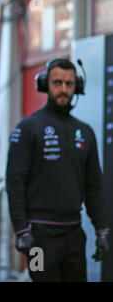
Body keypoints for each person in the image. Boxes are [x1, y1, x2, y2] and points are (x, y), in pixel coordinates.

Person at [6, 58, 110, 282]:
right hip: (37, 237)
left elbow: (94, 186)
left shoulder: (86, 132)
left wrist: (102, 230)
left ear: (77, 87)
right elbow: (14, 182)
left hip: (74, 235)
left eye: (69, 84)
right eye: (57, 83)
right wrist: (21, 230)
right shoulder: (27, 128)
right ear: (45, 85)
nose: (64, 89)